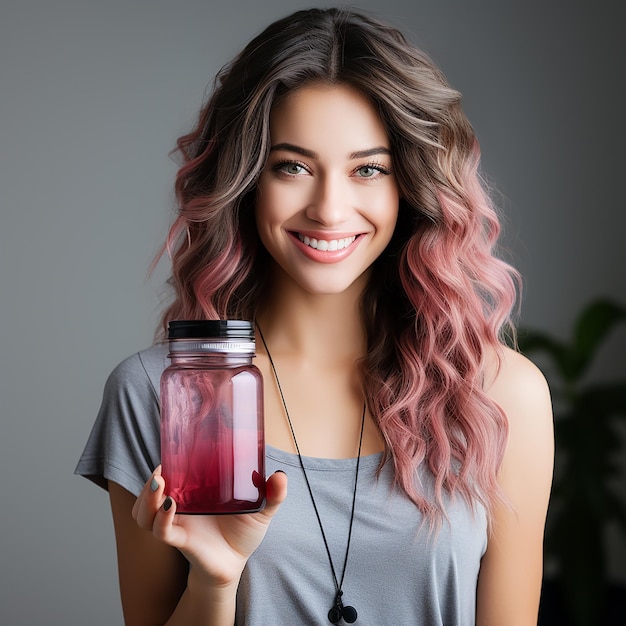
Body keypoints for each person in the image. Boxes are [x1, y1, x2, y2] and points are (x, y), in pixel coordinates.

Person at [75, 7, 553, 625]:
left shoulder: (500, 397)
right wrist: (216, 582)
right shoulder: (158, 394)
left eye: (369, 169)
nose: (329, 209)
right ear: (246, 180)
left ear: (410, 185)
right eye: (292, 166)